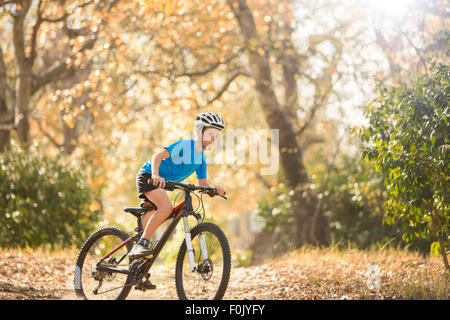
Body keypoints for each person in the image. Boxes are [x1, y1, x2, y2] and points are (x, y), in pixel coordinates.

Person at [128, 112, 226, 259]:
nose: (214, 138)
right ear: (200, 130)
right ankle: (141, 244)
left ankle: (139, 266)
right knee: (166, 207)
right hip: (149, 176)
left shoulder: (201, 159)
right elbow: (158, 156)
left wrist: (214, 189)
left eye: (217, 136)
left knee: (155, 213)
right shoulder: (185, 145)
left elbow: (203, 183)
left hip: (161, 183)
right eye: (211, 133)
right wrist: (155, 174)